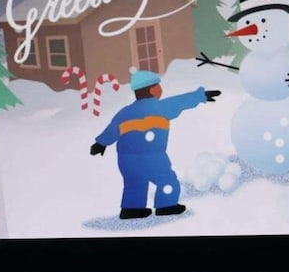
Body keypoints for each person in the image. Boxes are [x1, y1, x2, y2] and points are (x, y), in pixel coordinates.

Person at [90, 70, 220, 220]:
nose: (160, 89)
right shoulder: (160, 108)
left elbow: (112, 129)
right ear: (152, 90)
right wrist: (200, 96)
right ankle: (166, 206)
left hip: (127, 160)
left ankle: (131, 209)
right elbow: (180, 101)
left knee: (135, 183)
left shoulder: (125, 113)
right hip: (152, 157)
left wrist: (100, 143)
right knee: (166, 180)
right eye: (158, 86)